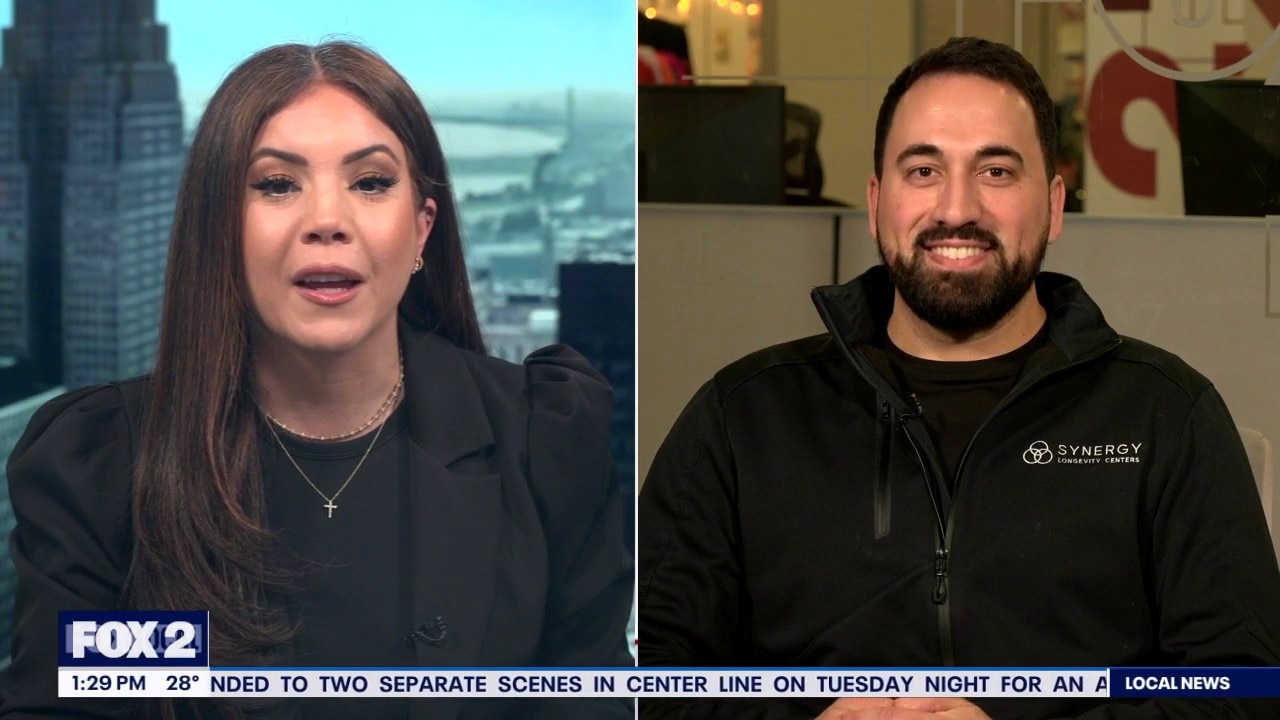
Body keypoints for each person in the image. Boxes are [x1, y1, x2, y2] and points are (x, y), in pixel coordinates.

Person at [637, 36, 1280, 720]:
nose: (955, 209)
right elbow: (642, 680)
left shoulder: (1164, 413)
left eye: (996, 171)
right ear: (876, 202)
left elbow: (1244, 689)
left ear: (1054, 205)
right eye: (923, 170)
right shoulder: (744, 418)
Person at [0, 42, 632, 720]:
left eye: (371, 183)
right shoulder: (105, 466)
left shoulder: (542, 442)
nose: (328, 222)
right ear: (218, 230)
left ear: (422, 230)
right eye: (277, 185)